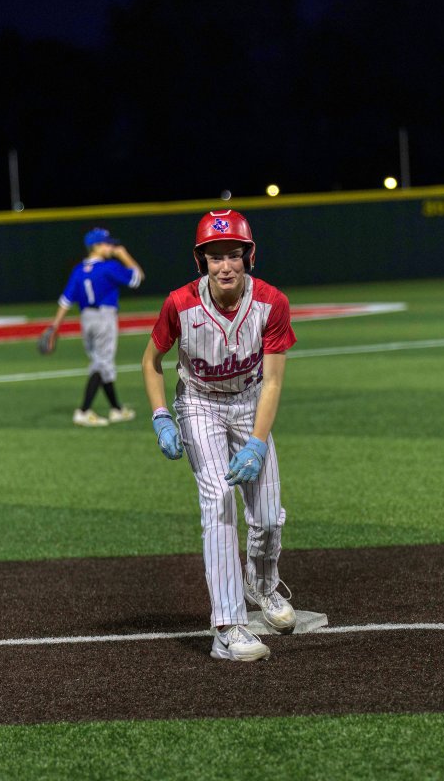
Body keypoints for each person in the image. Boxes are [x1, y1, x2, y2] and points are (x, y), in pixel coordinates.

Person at [141, 210, 297, 661]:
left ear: (248, 256)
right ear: (201, 261)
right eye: (215, 257)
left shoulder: (271, 303)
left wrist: (257, 442)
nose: (225, 266)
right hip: (199, 404)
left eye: (233, 255)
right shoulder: (179, 304)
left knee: (267, 518)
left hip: (250, 402)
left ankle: (262, 585)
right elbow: (150, 361)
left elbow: (273, 382)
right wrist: (160, 415)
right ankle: (227, 627)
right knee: (219, 501)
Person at [44, 227, 144, 427]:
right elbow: (138, 278)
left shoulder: (78, 270)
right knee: (101, 365)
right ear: (96, 246)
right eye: (107, 243)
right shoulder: (109, 267)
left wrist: (55, 326)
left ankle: (116, 409)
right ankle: (83, 411)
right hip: (104, 318)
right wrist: (124, 255)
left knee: (101, 364)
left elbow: (65, 301)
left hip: (86, 319)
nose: (111, 247)